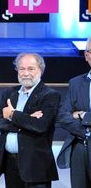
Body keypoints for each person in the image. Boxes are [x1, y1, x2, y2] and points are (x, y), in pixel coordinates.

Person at [0, 53, 60, 188]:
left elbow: (40, 126)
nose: (25, 73)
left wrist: (12, 114)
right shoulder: (9, 93)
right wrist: (26, 121)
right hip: (10, 164)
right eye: (22, 69)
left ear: (40, 70)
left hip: (35, 166)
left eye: (31, 69)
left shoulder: (50, 95)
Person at [57, 37, 91, 187]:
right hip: (80, 148)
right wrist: (86, 130)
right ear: (86, 55)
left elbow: (74, 115)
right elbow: (63, 116)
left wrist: (82, 115)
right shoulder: (75, 83)